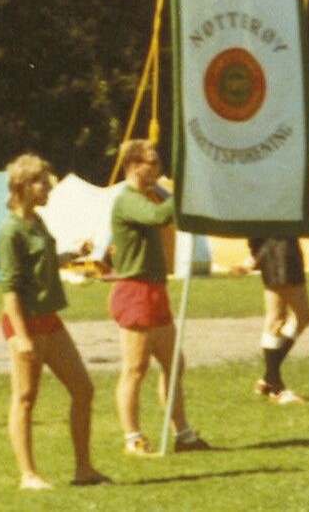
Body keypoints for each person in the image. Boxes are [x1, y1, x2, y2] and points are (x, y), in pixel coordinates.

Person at [0, 153, 110, 490]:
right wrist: (21, 337)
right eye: (41, 182)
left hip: (49, 319)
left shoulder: (37, 222)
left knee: (83, 389)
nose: (48, 187)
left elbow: (42, 262)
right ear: (23, 186)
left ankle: (84, 470)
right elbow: (10, 291)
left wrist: (71, 255)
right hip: (25, 323)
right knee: (25, 398)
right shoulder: (11, 231)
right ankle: (28, 475)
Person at [109, 141, 209, 456]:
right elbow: (156, 218)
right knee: (135, 368)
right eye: (151, 162)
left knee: (173, 364)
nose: (158, 167)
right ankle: (133, 438)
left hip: (155, 289)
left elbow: (170, 213)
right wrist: (182, 189)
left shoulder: (151, 195)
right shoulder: (127, 200)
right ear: (133, 164)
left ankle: (183, 434)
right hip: (134, 290)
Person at [247, 232, 309, 403]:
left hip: (289, 247)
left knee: (304, 316)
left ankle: (268, 377)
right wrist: (255, 254)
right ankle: (277, 389)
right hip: (276, 250)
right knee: (276, 319)